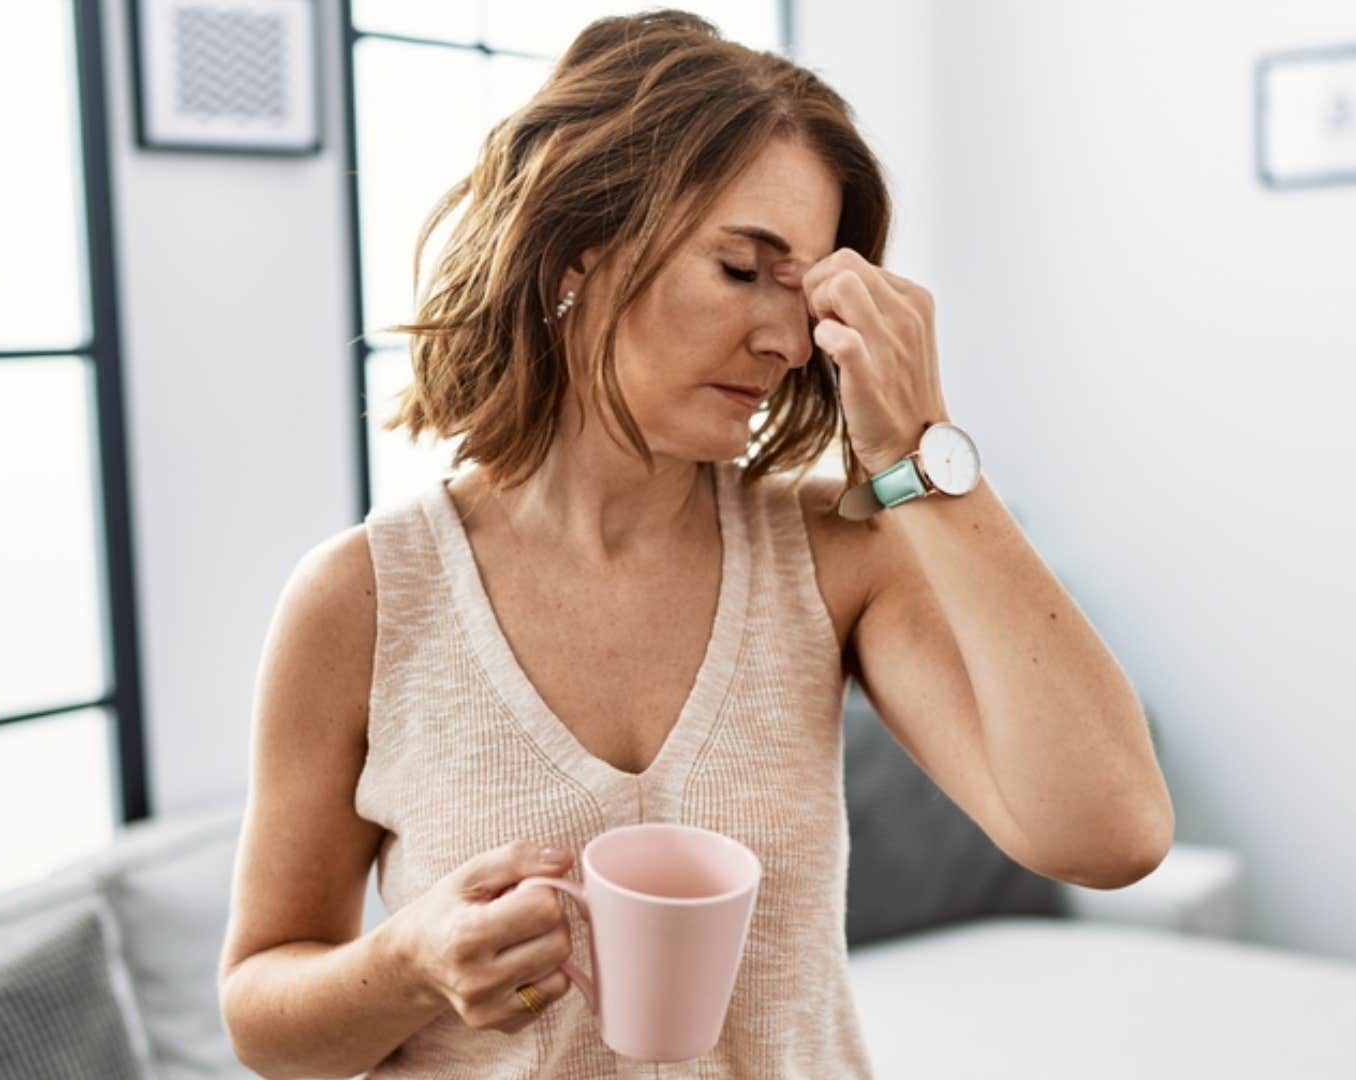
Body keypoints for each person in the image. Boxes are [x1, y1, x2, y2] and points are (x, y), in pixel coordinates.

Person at [217, 10, 1173, 1078]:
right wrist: (406, 964)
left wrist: (923, 449)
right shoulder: (364, 598)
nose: (784, 338)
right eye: (741, 268)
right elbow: (262, 1013)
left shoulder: (834, 558)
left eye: (805, 293)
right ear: (580, 246)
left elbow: (1113, 832)